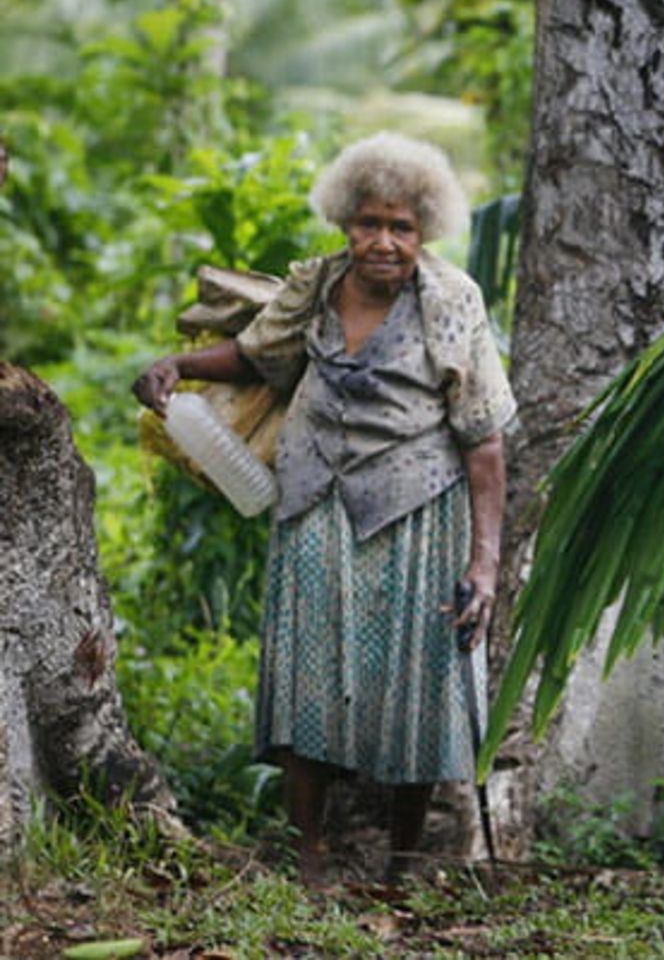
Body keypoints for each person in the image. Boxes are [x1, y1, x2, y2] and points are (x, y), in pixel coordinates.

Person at [132, 132, 515, 885]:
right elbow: (255, 353)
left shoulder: (451, 301)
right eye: (368, 223)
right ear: (346, 221)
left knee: (415, 693)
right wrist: (177, 364)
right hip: (315, 505)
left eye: (400, 227)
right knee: (309, 683)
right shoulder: (315, 284)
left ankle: (401, 864)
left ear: (423, 231)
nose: (382, 242)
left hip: (416, 516)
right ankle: (312, 855)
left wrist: (484, 563)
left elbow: (485, 443)